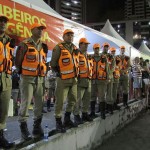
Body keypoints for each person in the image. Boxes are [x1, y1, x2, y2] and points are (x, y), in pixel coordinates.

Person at [15, 23, 48, 140]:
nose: (40, 31)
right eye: (38, 29)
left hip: (40, 79)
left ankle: (36, 127)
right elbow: (17, 62)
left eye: (42, 29)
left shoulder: (43, 46)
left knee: (39, 104)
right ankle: (24, 130)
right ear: (32, 30)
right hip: (27, 78)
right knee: (25, 104)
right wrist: (23, 73)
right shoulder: (24, 44)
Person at [51, 29, 78, 132]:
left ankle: (67, 118)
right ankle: (58, 122)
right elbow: (53, 63)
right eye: (68, 35)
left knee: (73, 100)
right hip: (62, 79)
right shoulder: (58, 47)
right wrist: (59, 73)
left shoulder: (75, 48)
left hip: (73, 79)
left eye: (72, 35)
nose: (70, 37)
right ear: (63, 36)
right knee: (60, 101)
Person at [0, 15, 15, 149]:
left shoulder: (10, 41)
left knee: (4, 109)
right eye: (0, 21)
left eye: (4, 22)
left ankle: (0, 137)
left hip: (6, 78)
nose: (3, 23)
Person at [74, 38, 93, 125]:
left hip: (88, 80)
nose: (86, 46)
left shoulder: (88, 56)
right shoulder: (76, 54)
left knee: (87, 99)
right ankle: (76, 115)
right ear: (80, 44)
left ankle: (84, 114)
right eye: (85, 44)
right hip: (80, 80)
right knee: (78, 100)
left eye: (87, 44)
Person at [90, 43, 101, 118]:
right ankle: (92, 112)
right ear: (93, 49)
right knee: (92, 96)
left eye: (98, 48)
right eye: (95, 48)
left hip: (101, 80)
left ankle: (100, 110)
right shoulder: (90, 57)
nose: (97, 50)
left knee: (101, 95)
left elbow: (106, 68)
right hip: (93, 79)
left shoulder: (103, 58)